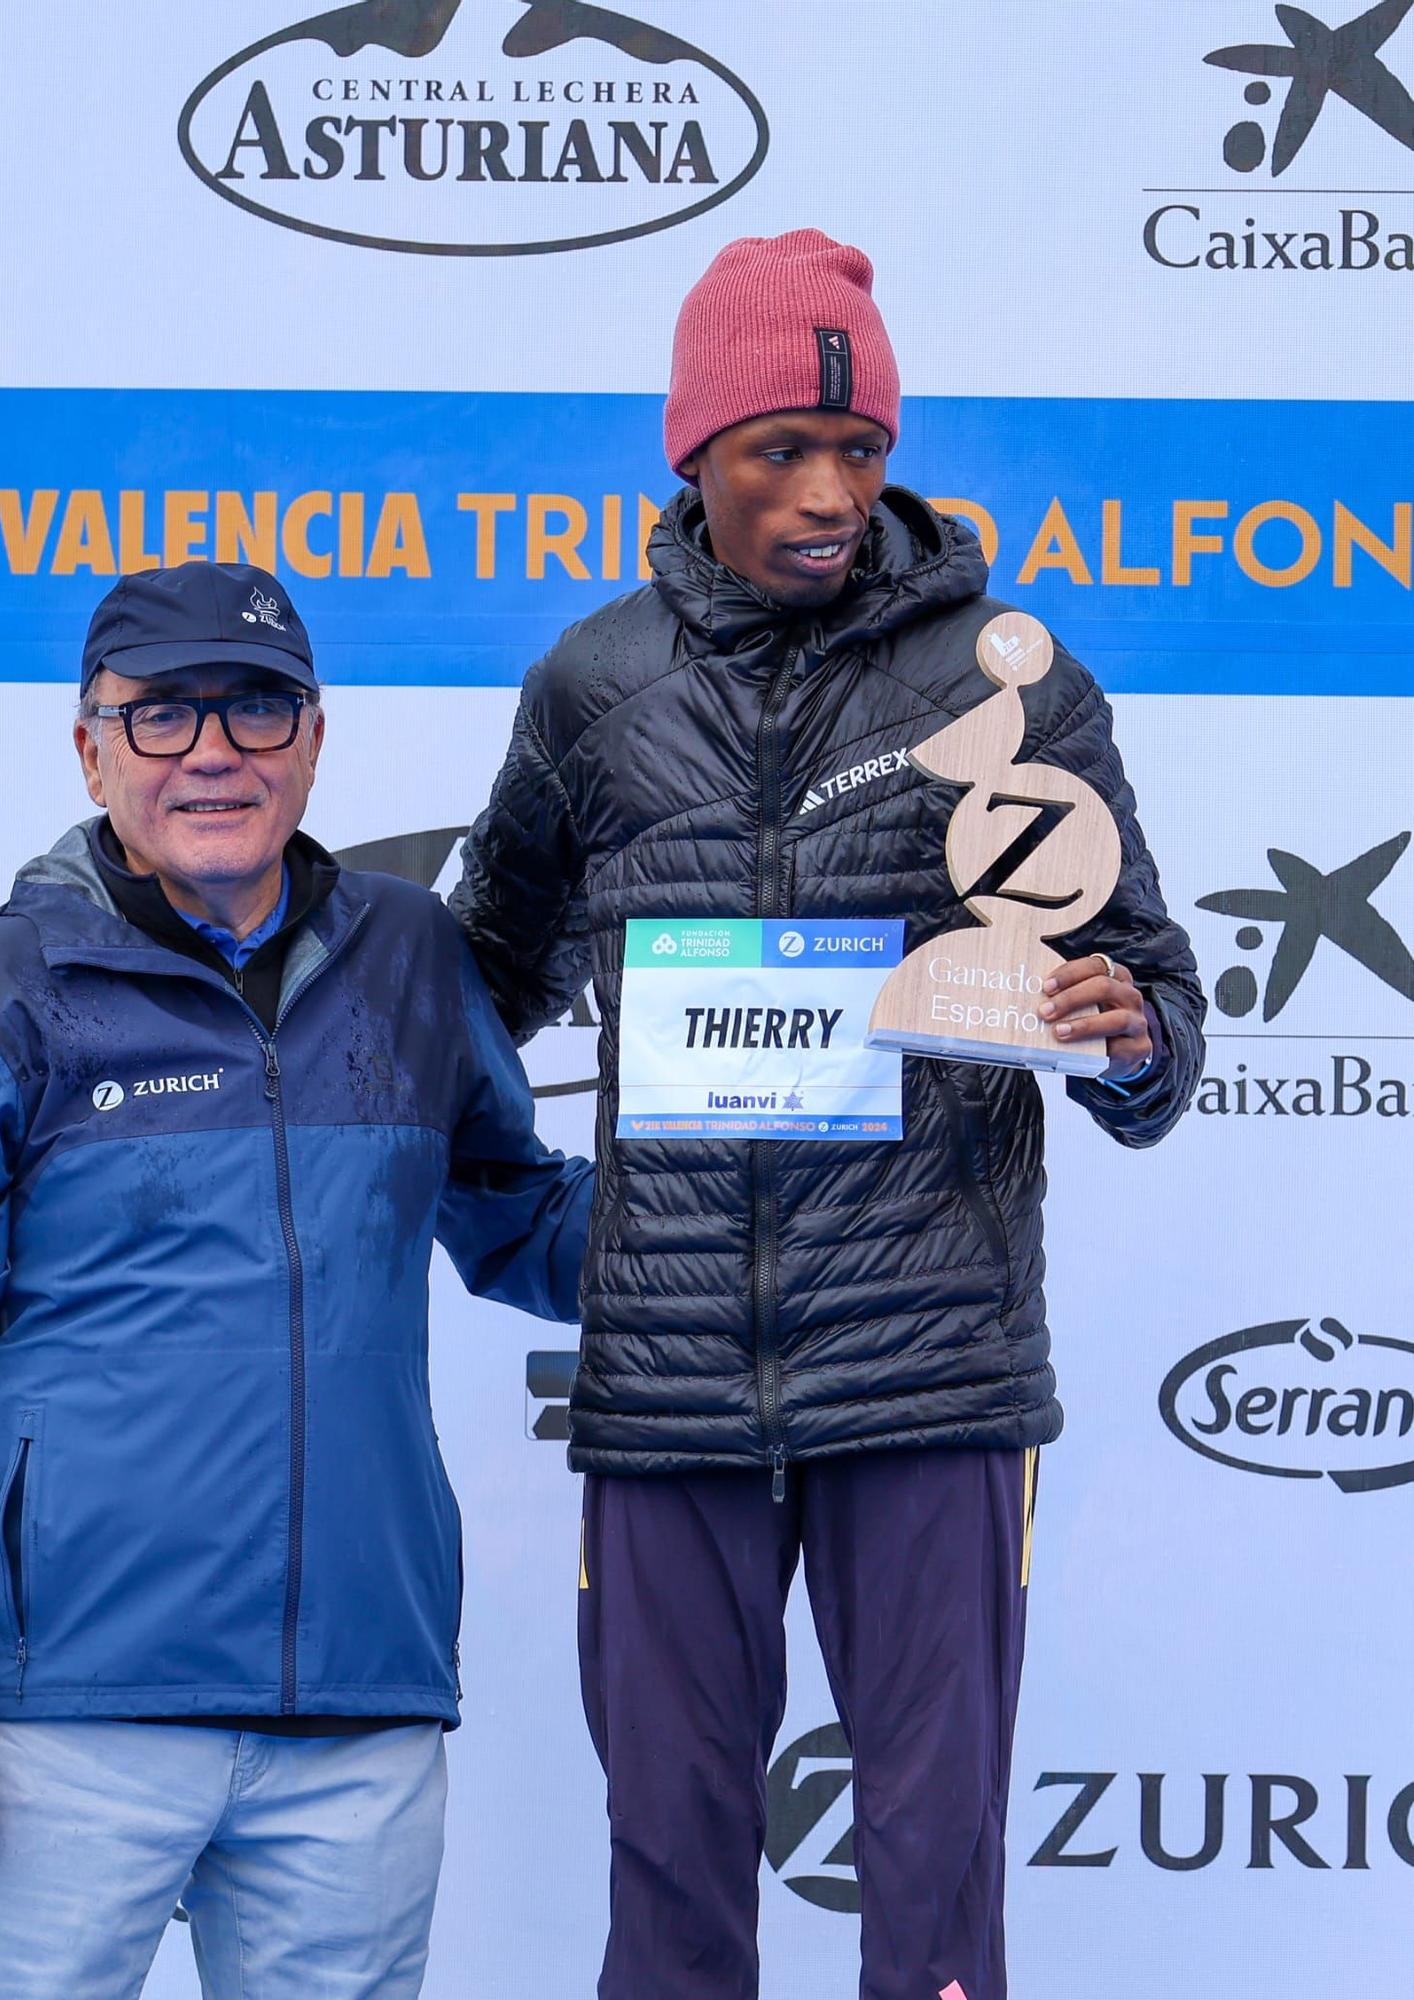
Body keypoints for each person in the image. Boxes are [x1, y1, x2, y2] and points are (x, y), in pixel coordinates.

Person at [449, 230, 1205, 2000]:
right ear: (691, 454)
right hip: (670, 1380)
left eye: (857, 453)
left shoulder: (1007, 687)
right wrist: (550, 1239)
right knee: (671, 1872)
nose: (825, 493)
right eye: (778, 447)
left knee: (935, 1879)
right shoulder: (593, 689)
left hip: (931, 1372)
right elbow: (477, 996)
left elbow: (1156, 1003)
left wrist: (1124, 1038)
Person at [0, 558, 592, 2000]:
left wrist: (747, 1202)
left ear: (313, 733)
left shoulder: (410, 955)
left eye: (255, 708)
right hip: (69, 1712)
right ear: (90, 745)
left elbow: (511, 1218)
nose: (213, 752)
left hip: (358, 1699)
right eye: (162, 716)